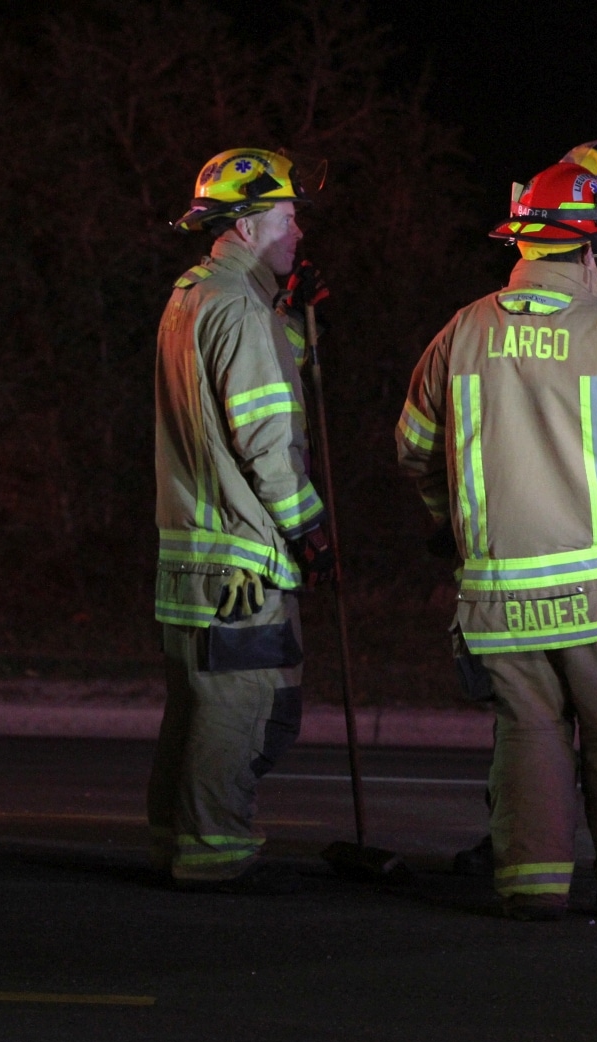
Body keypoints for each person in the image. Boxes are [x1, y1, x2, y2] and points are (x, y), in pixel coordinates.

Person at [397, 161, 597, 921]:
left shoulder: (461, 330)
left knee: (529, 735)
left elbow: (414, 448)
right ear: (590, 245)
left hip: (500, 594)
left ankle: (533, 887)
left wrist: (457, 517)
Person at [149, 147, 335, 894]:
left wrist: (291, 311)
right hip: (241, 560)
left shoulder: (200, 294)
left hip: (192, 552)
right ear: (254, 222)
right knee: (249, 708)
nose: (298, 232)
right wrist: (310, 529)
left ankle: (177, 837)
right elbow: (268, 432)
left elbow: (261, 380)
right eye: (289, 217)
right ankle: (214, 849)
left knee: (198, 708)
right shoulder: (237, 307)